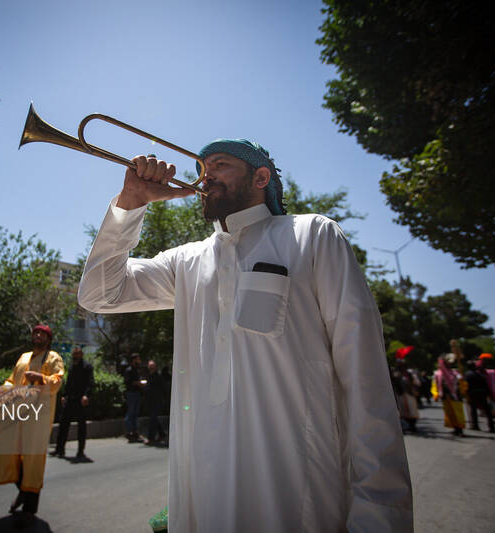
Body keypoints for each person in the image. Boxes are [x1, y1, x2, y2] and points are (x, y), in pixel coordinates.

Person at [78, 141, 413, 531]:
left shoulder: (312, 235)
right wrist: (130, 205)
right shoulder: (188, 260)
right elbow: (100, 294)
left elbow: (365, 380)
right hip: (203, 500)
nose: (206, 175)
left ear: (261, 177)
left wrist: (380, 518)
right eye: (202, 167)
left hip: (300, 499)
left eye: (219, 164)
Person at [0, 324, 64, 527]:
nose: (37, 335)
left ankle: (29, 508)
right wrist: (5, 387)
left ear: (48, 338)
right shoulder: (24, 357)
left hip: (37, 417)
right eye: (35, 332)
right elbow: (12, 379)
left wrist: (41, 378)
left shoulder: (53, 358)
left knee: (32, 460)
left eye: (42, 333)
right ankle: (23, 492)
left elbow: (57, 381)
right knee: (11, 453)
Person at [52, 346, 94, 460]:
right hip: (70, 399)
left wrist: (86, 395)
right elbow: (69, 383)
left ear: (81, 355)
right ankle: (59, 449)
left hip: (80, 400)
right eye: (74, 354)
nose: (75, 356)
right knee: (63, 425)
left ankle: (80, 451)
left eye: (77, 354)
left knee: (81, 427)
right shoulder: (71, 367)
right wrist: (64, 396)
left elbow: (90, 383)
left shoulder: (87, 367)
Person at [431, 354, 465, 436]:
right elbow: (435, 385)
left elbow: (461, 383)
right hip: (445, 396)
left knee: (457, 413)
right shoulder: (438, 374)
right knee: (449, 413)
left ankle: (460, 429)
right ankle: (455, 428)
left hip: (455, 396)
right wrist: (436, 394)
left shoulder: (455, 372)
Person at [464, 360, 495, 433]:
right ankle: (491, 426)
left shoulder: (467, 374)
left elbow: (465, 385)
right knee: (487, 411)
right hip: (482, 393)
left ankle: (475, 425)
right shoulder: (479, 374)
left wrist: (465, 394)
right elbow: (485, 384)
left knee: (473, 410)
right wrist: (489, 394)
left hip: (472, 393)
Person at [123, 353, 145, 442]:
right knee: (130, 412)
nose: (139, 360)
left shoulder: (137, 370)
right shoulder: (129, 370)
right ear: (134, 360)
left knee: (135, 413)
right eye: (138, 359)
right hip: (131, 393)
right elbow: (128, 382)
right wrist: (138, 383)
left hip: (137, 393)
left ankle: (135, 432)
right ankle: (129, 432)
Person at [145, 360, 167, 444]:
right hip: (150, 401)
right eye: (150, 367)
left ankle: (151, 438)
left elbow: (163, 389)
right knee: (153, 418)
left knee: (153, 418)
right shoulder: (149, 376)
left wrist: (163, 399)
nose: (151, 368)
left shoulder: (158, 377)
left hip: (156, 400)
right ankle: (162, 434)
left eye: (153, 367)